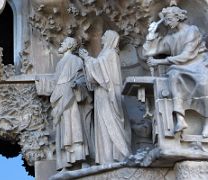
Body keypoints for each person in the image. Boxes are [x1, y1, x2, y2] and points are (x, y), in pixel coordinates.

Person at [143, 5, 208, 137]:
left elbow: (186, 55)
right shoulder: (170, 38)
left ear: (178, 18)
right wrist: (151, 34)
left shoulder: (192, 31)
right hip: (179, 67)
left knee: (203, 83)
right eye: (165, 20)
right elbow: (148, 52)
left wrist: (159, 62)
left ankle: (207, 123)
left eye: (169, 19)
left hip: (198, 64)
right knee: (173, 75)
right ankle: (180, 119)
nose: (167, 23)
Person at [79, 30, 131, 164]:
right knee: (103, 124)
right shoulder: (106, 53)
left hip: (108, 94)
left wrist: (87, 58)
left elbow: (101, 72)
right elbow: (97, 71)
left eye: (105, 36)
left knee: (109, 122)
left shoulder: (110, 53)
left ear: (110, 39)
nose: (101, 38)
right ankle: (106, 157)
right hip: (102, 93)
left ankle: (117, 155)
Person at [50, 37, 92, 171]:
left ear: (69, 45)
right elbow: (56, 83)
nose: (61, 43)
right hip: (60, 97)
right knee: (63, 131)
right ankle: (65, 163)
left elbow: (82, 79)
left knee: (75, 129)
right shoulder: (59, 64)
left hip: (71, 97)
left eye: (63, 42)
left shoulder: (76, 60)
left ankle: (81, 159)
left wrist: (77, 85)